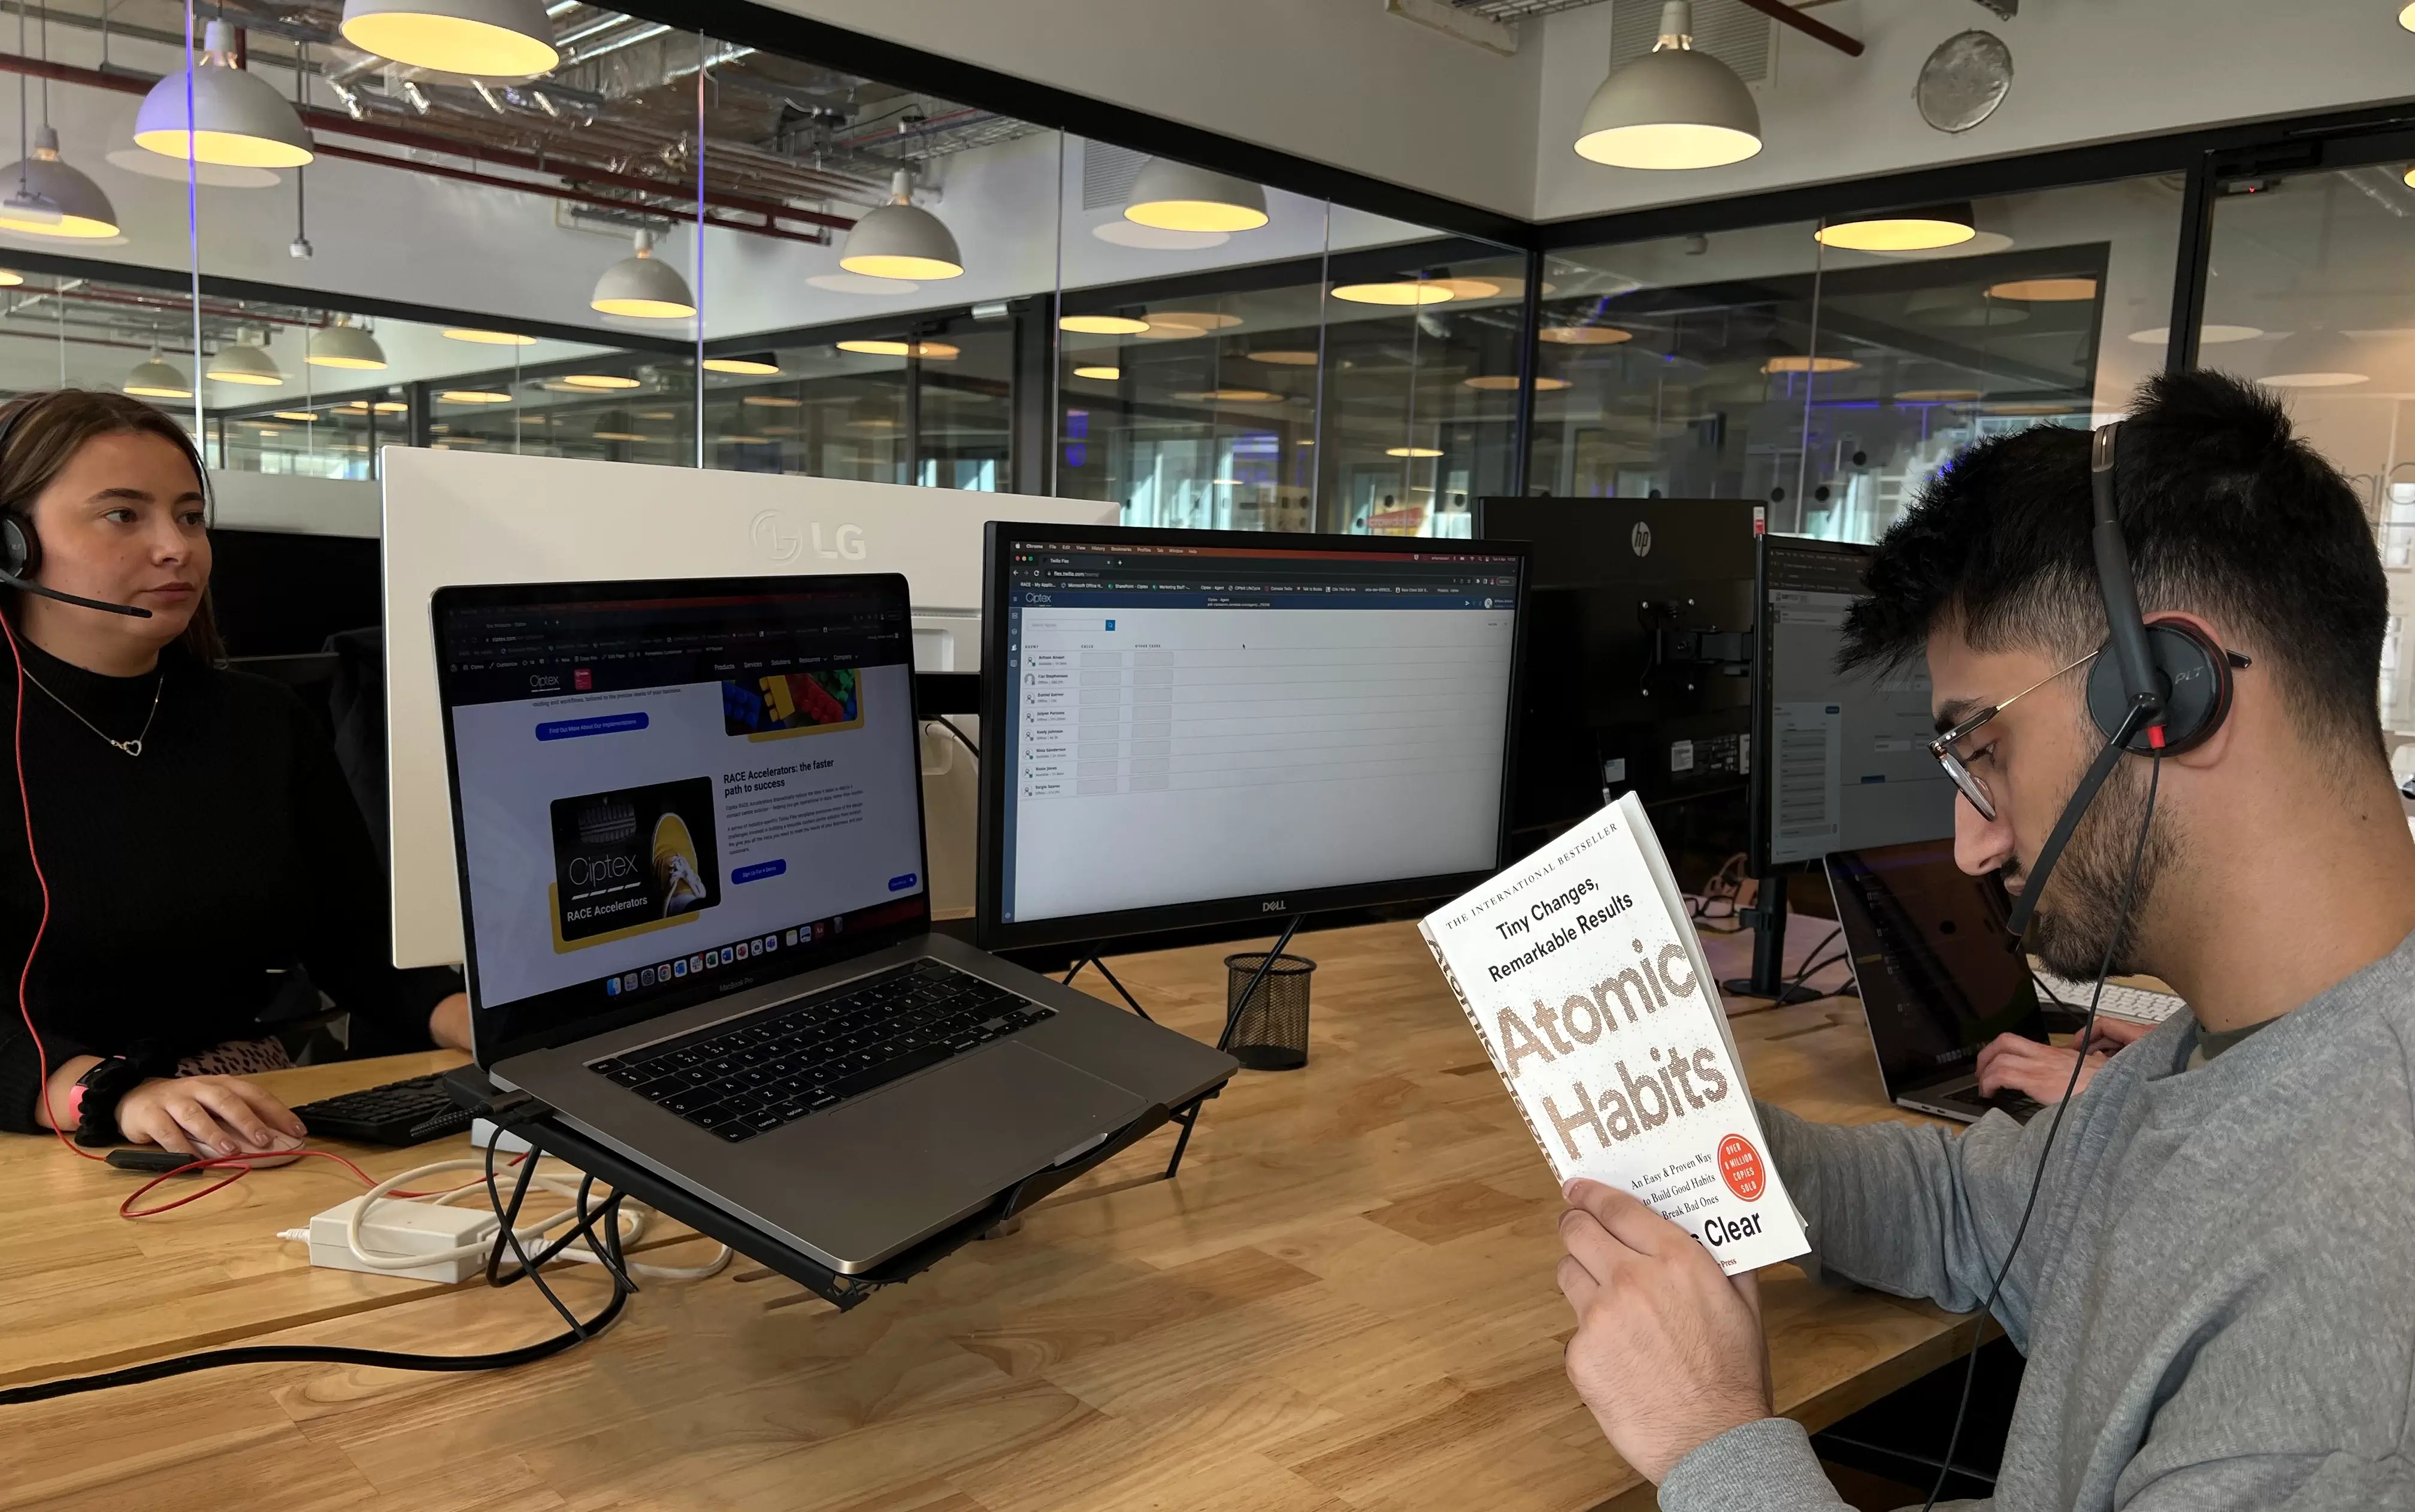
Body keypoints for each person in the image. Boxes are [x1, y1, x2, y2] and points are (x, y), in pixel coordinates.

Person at [1552, 369, 2415, 1510]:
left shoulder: (2350, 1301)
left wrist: (1714, 1440)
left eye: (1982, 749)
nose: (1968, 844)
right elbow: (1970, 1212)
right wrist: (1694, 1136)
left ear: (2170, 693)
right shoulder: (2234, 1048)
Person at [0, 389, 470, 1158]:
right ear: (13, 543)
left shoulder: (263, 719)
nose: (177, 546)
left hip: (242, 1105)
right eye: (125, 514)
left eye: (189, 515)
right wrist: (112, 1091)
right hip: (46, 1117)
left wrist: (486, 1024)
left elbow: (354, 941)